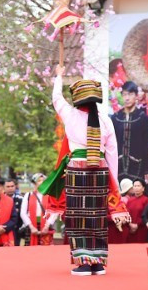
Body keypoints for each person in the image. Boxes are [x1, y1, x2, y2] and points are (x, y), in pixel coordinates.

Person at [49, 65, 130, 275]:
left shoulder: (71, 115)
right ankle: (98, 262)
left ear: (77, 99)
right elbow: (112, 152)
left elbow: (56, 98)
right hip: (101, 171)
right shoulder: (106, 120)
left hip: (77, 171)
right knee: (98, 216)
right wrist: (112, 178)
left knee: (78, 216)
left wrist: (59, 75)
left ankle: (83, 262)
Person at [112, 81, 148, 185]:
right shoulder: (115, 118)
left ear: (136, 96)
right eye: (124, 94)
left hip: (138, 166)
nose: (127, 98)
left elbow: (147, 145)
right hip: (118, 167)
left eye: (130, 94)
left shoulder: (143, 119)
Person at [20, 173, 58, 246]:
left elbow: (54, 211)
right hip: (31, 226)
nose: (41, 182)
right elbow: (23, 213)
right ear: (34, 183)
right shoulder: (28, 195)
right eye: (39, 180)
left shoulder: (50, 195)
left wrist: (47, 226)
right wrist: (31, 227)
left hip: (46, 225)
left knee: (47, 250)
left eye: (43, 181)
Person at [126, 179, 148, 243]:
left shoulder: (146, 200)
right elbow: (126, 213)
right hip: (130, 229)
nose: (136, 188)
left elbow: (147, 215)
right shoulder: (130, 200)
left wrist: (137, 225)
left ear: (143, 188)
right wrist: (130, 224)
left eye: (138, 186)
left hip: (141, 228)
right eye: (135, 186)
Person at [4, 179, 24, 245]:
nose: (10, 188)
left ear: (15, 187)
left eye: (12, 186)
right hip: (3, 229)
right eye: (8, 186)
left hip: (16, 230)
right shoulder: (0, 199)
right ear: (4, 187)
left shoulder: (21, 199)